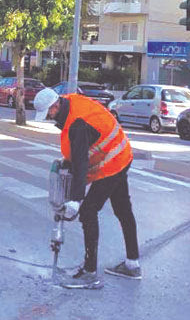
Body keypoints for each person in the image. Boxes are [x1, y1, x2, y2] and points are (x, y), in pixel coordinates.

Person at [33, 88, 140, 289]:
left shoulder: (77, 125)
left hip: (112, 161)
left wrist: (75, 199)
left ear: (55, 105)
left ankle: (90, 272)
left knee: (88, 212)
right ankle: (132, 265)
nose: (49, 117)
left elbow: (81, 162)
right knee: (123, 210)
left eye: (49, 113)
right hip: (122, 153)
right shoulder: (69, 103)